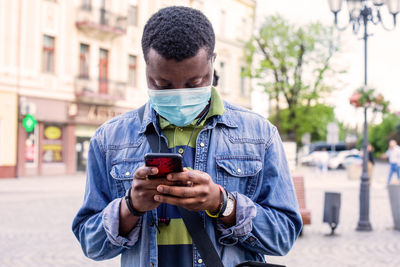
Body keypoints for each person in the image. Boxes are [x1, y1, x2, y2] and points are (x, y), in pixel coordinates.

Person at [72, 6, 302, 267]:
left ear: (212, 62)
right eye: (163, 85)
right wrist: (130, 207)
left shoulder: (260, 134)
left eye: (194, 83)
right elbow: (90, 243)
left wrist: (223, 203)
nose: (179, 94)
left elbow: (283, 236)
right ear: (146, 66)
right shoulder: (109, 139)